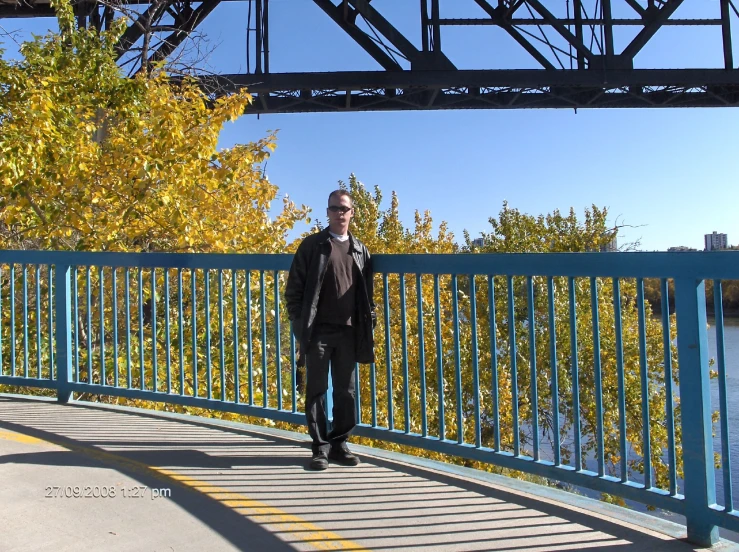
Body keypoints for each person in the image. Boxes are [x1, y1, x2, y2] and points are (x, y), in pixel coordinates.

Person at [285, 190, 376, 471]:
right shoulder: (313, 246)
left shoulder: (361, 250)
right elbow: (294, 292)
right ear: (327, 212)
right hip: (318, 332)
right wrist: (301, 326)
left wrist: (370, 321)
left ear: (352, 213)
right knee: (316, 389)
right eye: (334, 208)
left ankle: (340, 444)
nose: (339, 213)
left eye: (344, 209)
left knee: (346, 391)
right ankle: (320, 448)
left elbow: (367, 297)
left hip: (349, 332)